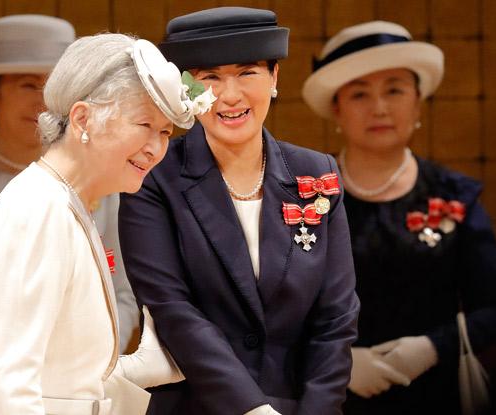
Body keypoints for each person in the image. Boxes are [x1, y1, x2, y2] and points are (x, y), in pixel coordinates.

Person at [119, 7, 360, 415]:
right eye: (210, 77)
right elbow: (172, 309)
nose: (230, 96)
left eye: (247, 73)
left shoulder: (316, 172)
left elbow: (336, 316)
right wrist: (253, 409)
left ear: (275, 77)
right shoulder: (154, 176)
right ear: (185, 88)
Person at [0, 33, 203, 414]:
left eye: (165, 132)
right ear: (83, 118)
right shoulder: (38, 210)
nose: (156, 148)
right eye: (144, 124)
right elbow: (9, 383)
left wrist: (130, 371)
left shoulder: (66, 203)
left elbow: (57, 375)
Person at [0, 15, 137, 415]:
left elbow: (122, 295)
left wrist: (77, 359)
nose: (43, 100)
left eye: (54, 85)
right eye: (28, 84)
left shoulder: (105, 182)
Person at [302, 21, 496, 415]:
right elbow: (273, 308)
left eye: (394, 90)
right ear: (337, 109)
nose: (379, 108)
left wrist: (432, 348)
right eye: (360, 94)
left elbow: (494, 307)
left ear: (418, 102)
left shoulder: (453, 197)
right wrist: (337, 361)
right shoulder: (304, 197)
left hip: (436, 395)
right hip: (329, 397)